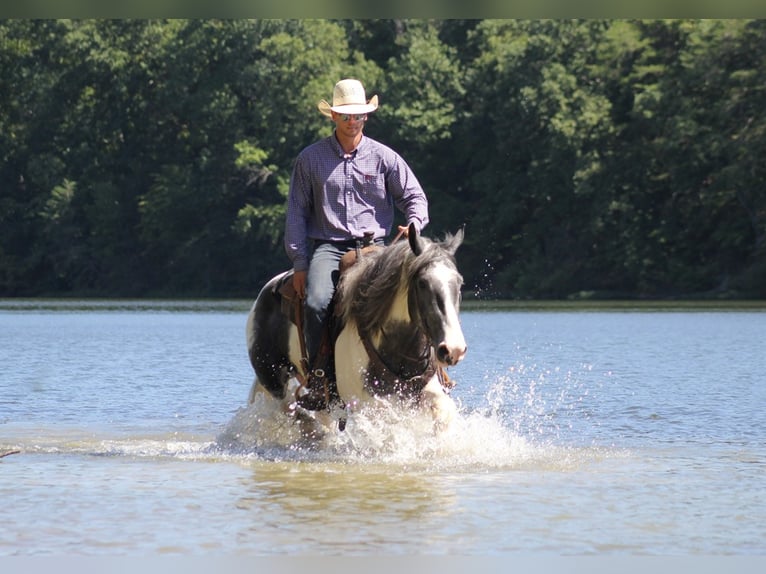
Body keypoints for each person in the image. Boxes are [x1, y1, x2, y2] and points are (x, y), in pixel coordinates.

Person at [284, 78, 429, 392]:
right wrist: (299, 262)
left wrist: (415, 223)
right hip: (329, 247)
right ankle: (320, 377)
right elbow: (296, 212)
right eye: (346, 116)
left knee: (420, 290)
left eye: (358, 116)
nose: (353, 122)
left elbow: (414, 198)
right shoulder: (310, 159)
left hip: (377, 246)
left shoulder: (384, 157)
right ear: (333, 117)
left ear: (367, 117)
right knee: (318, 301)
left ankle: (431, 368)